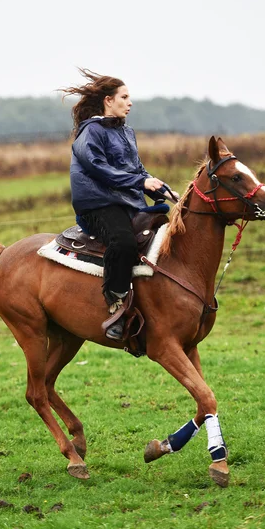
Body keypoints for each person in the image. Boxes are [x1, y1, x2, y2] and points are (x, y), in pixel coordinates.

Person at [60, 69, 177, 341]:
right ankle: (115, 303)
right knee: (123, 242)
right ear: (108, 101)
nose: (130, 102)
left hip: (126, 202)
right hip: (97, 204)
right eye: (124, 97)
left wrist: (161, 188)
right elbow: (98, 168)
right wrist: (140, 183)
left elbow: (136, 169)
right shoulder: (90, 132)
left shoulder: (127, 132)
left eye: (129, 97)